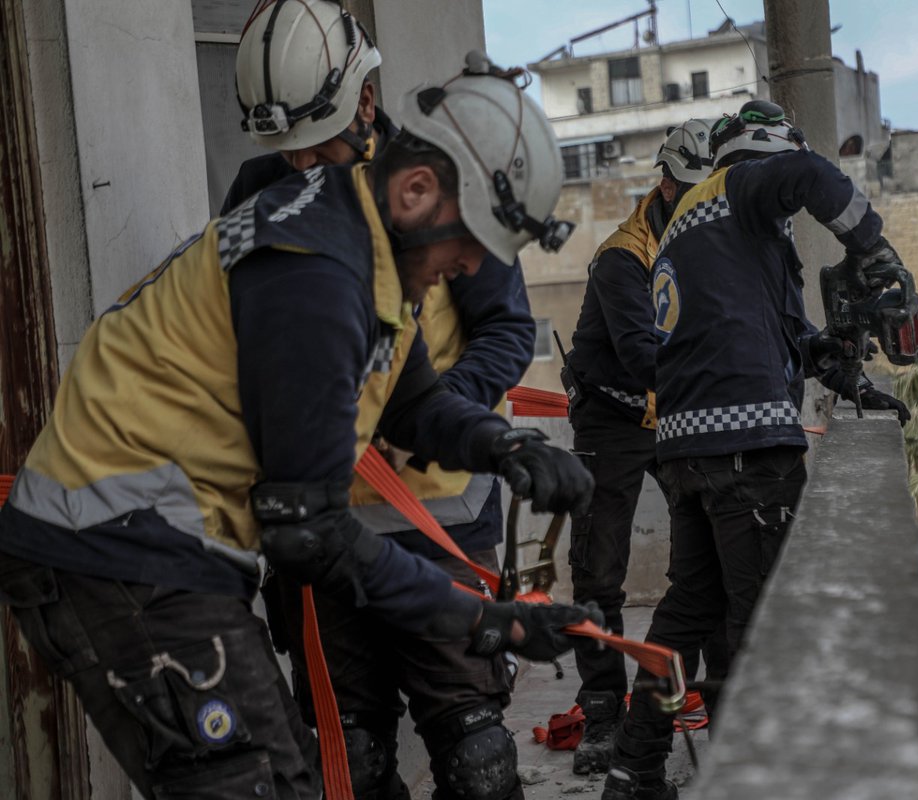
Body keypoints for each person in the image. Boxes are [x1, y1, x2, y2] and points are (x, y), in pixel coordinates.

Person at [0, 45, 595, 800]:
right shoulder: (317, 275)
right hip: (119, 552)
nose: (476, 270)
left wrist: (502, 444)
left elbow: (411, 405)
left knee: (290, 780)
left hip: (157, 550)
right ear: (416, 189)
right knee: (255, 783)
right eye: (473, 241)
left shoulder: (365, 243)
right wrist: (491, 622)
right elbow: (308, 532)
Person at [226, 4, 538, 798]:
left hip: (438, 521)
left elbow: (507, 329)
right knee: (349, 760)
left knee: (476, 757)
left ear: (365, 103)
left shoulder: (443, 184)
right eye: (286, 147)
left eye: (317, 139)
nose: (303, 164)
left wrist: (435, 414)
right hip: (322, 540)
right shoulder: (259, 194)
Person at [601, 100, 909, 800]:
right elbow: (807, 175)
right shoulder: (741, 187)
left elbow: (779, 336)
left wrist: (837, 366)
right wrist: (872, 245)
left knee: (686, 616)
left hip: (686, 451)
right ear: (761, 153)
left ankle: (634, 772)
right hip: (744, 452)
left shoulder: (692, 227)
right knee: (767, 624)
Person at [561, 120, 715, 776]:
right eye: (689, 194)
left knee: (705, 556)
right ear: (666, 183)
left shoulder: (707, 242)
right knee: (600, 572)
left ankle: (674, 695)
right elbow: (640, 353)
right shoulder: (622, 258)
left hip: (673, 412)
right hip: (613, 419)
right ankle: (601, 712)